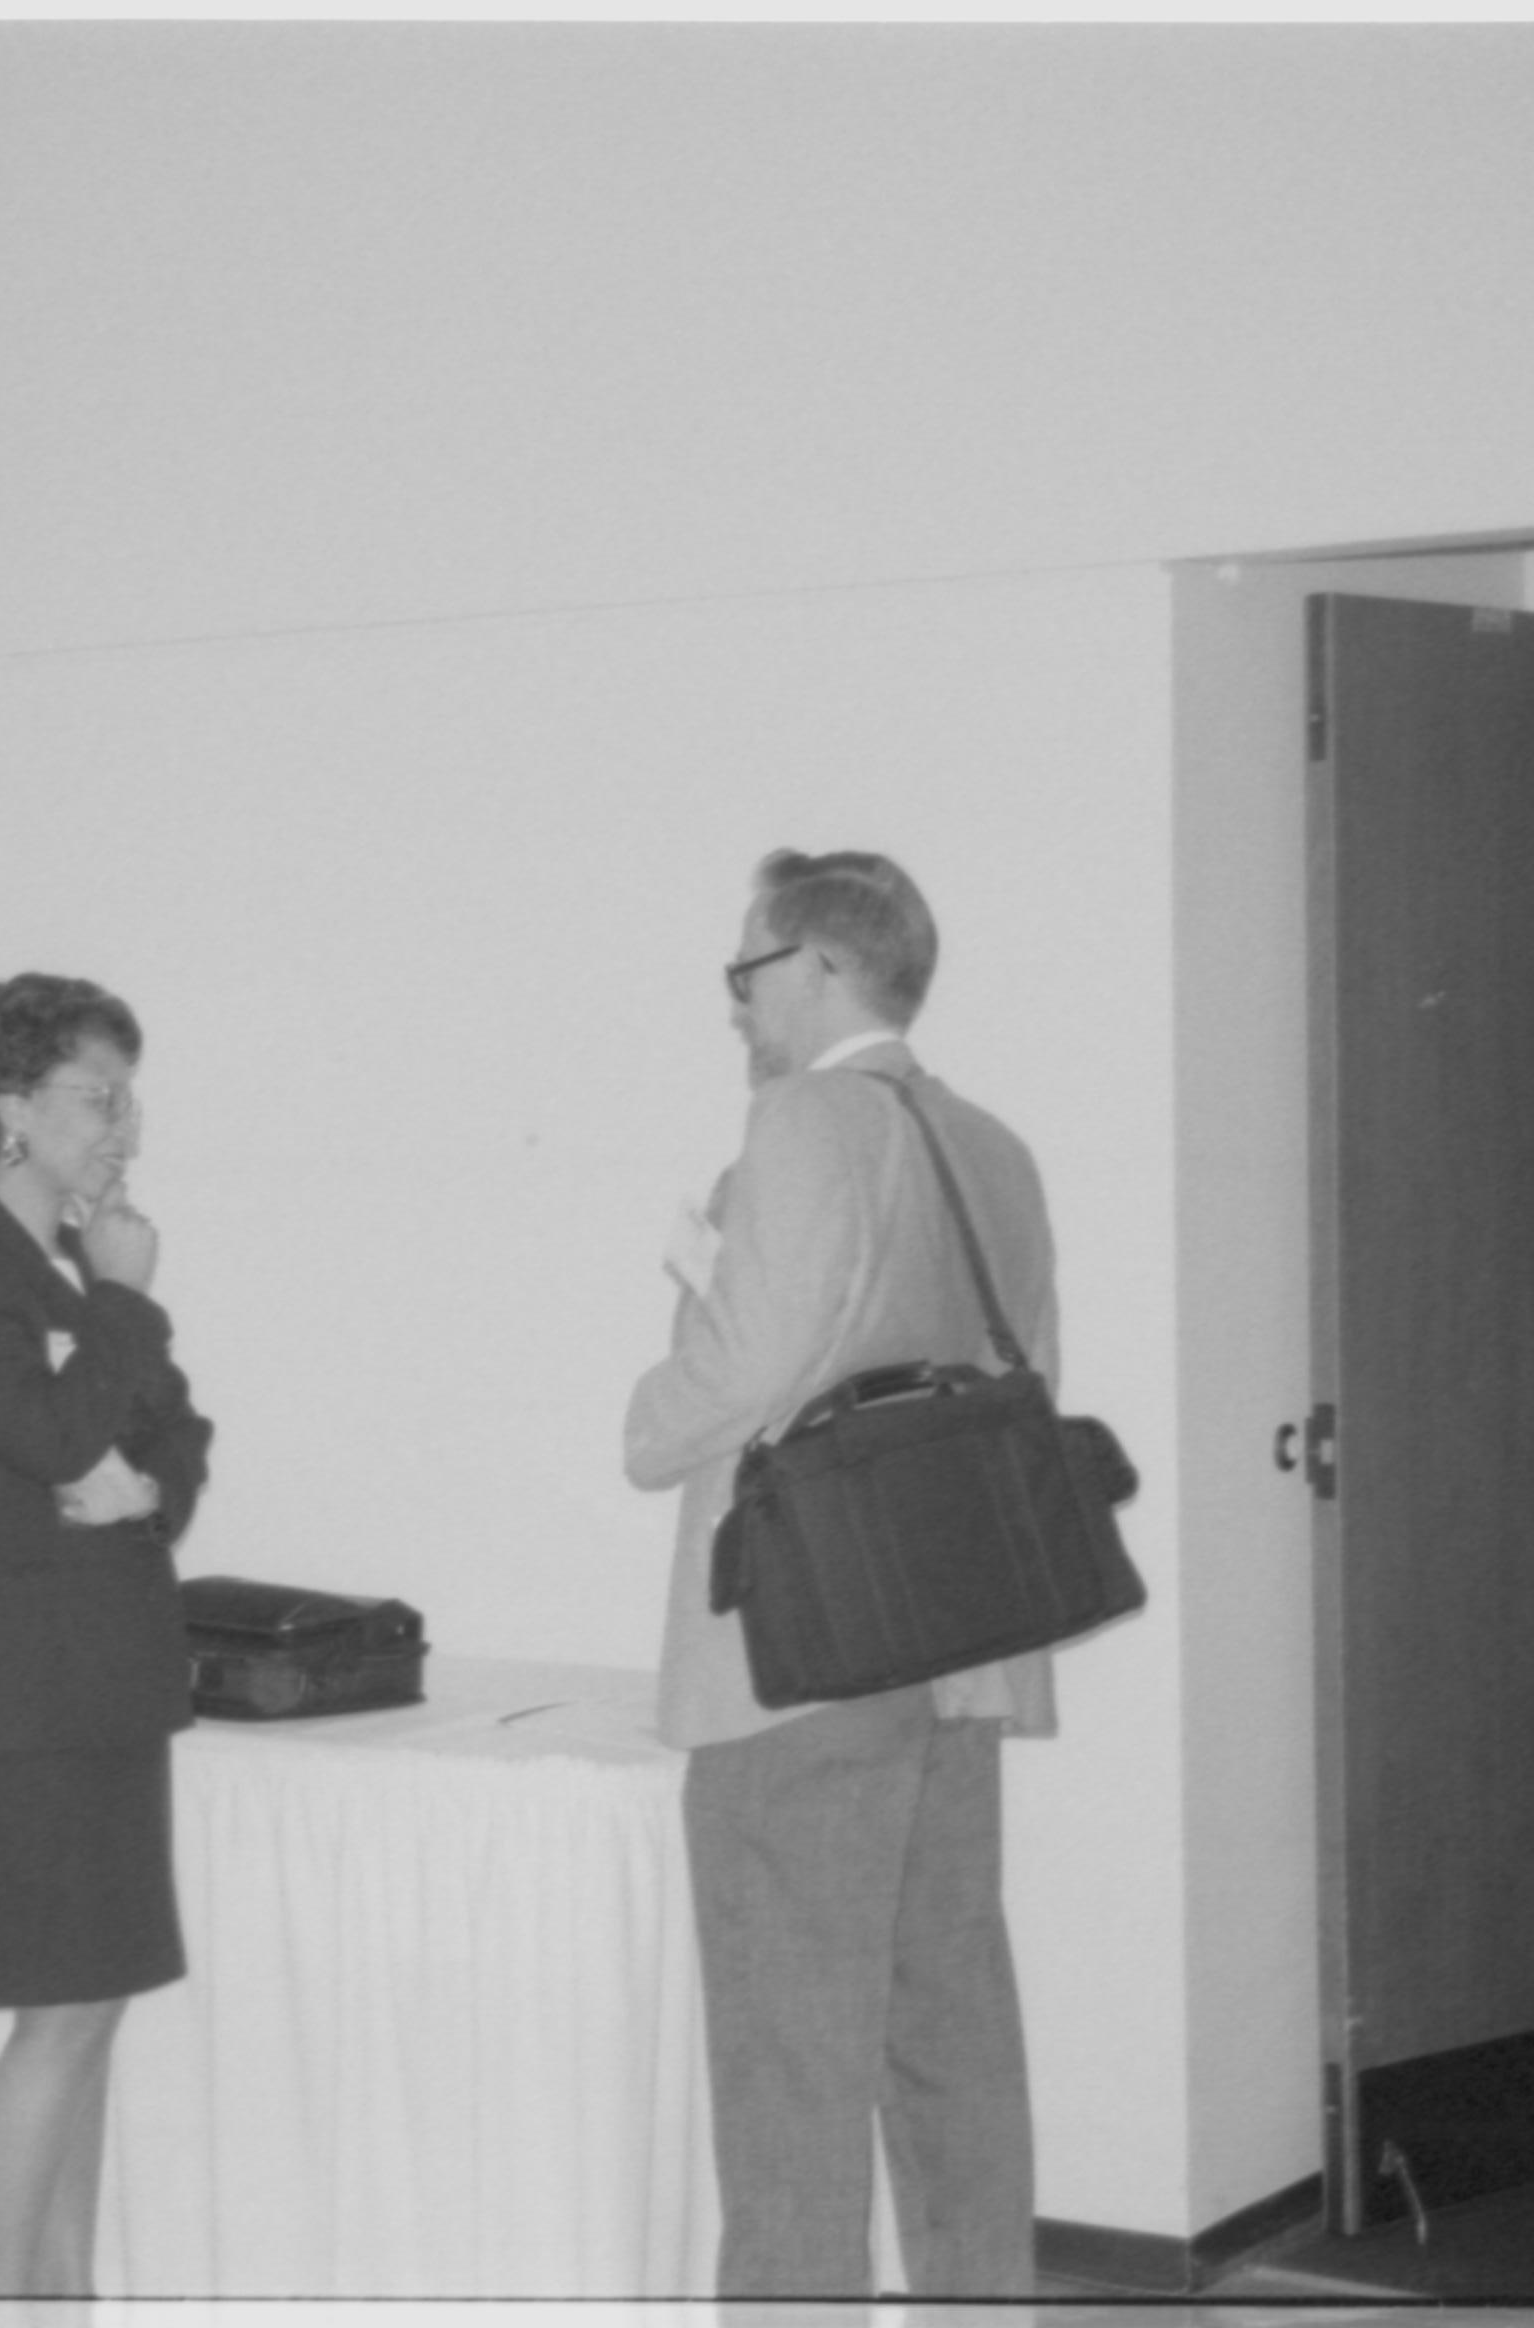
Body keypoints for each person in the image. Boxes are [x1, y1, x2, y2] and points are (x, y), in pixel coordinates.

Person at [624, 849, 1061, 2297]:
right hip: (956, 1646)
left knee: (790, 2066)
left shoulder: (801, 1123)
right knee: (949, 2040)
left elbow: (745, 1372)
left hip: (803, 1655)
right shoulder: (991, 1145)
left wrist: (649, 1409)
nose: (738, 1008)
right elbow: (1028, 1380)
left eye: (746, 974)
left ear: (818, 967)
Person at [0, 972, 213, 2297]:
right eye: (99, 1097)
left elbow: (176, 1444)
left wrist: (140, 1487)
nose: (124, 1126)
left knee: (92, 2015)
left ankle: (65, 2305)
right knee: (57, 2017)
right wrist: (126, 1309)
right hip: (16, 1706)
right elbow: (46, 1440)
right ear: (9, 1108)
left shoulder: (71, 1273)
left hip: (105, 1691)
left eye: (129, 1097)